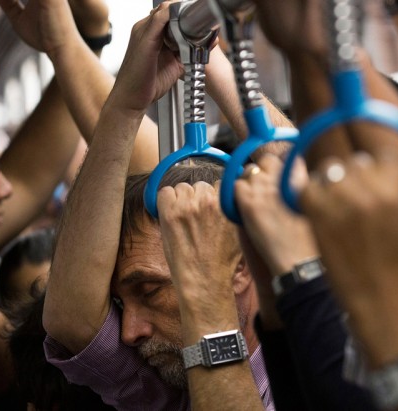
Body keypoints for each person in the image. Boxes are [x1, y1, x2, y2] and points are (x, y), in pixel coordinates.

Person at [40, 3, 286, 409]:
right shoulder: (171, 388)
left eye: (150, 290)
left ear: (240, 266)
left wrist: (213, 62)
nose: (128, 331)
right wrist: (124, 107)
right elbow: (71, 319)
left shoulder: (322, 355)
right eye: (122, 303)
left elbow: (316, 208)